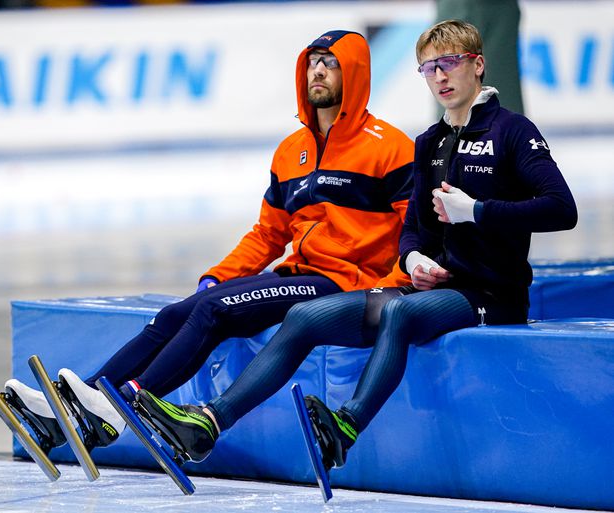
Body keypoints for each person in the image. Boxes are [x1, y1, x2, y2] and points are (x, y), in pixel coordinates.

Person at [133, 19, 578, 469]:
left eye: (449, 64)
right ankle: (210, 421)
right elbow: (414, 229)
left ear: (478, 65)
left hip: (491, 294)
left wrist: (479, 211)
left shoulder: (513, 131)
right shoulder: (430, 143)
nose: (440, 77)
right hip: (433, 288)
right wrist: (414, 257)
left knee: (401, 311)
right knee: (303, 315)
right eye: (428, 68)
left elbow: (562, 208)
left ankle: (347, 425)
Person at [2, 30, 415, 451]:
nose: (318, 71)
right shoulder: (292, 150)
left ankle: (121, 406)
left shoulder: (390, 148)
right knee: (176, 312)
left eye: (331, 63)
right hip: (300, 273)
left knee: (214, 312)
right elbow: (268, 234)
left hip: (344, 284)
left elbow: (415, 232)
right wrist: (218, 274)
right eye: (313, 62)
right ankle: (76, 406)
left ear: (357, 73)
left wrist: (386, 290)